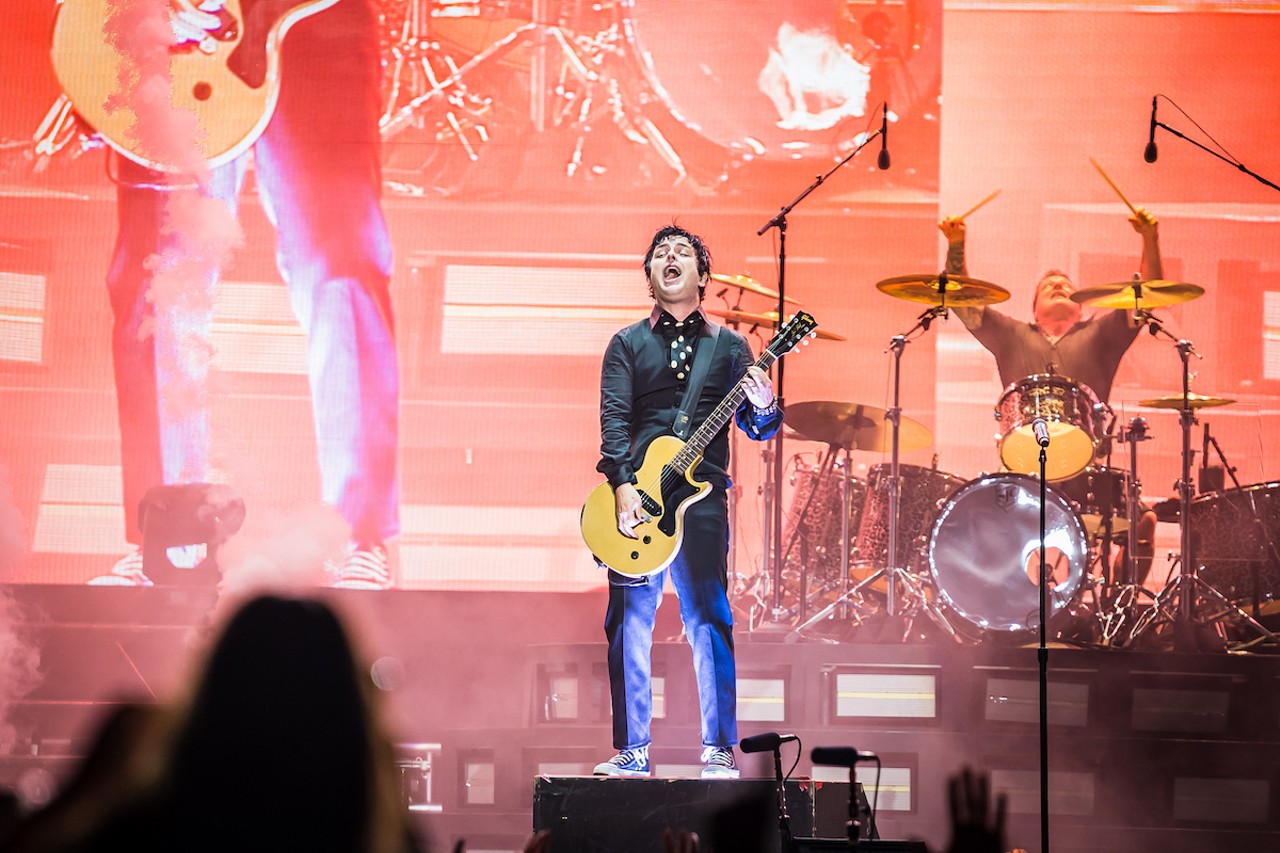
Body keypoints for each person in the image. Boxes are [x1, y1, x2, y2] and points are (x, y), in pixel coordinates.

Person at [95, 0, 398, 589]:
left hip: (315, 20)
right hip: (171, 33)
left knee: (343, 268)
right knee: (160, 278)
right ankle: (166, 532)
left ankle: (355, 535)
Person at [592, 225, 783, 779]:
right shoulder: (626, 343)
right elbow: (613, 419)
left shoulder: (729, 347)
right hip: (635, 499)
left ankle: (718, 748)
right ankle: (632, 750)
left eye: (682, 254)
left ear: (703, 276)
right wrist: (624, 485)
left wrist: (766, 404)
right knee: (629, 620)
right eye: (659, 255)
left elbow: (757, 428)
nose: (668, 259)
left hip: (700, 497)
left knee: (708, 618)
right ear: (649, 277)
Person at [939, 208, 1163, 584]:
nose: (1058, 285)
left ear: (1081, 305)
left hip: (1087, 465)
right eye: (1048, 285)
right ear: (1034, 309)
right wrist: (956, 246)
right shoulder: (1012, 334)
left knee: (1143, 521)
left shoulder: (1102, 334)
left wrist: (1150, 239)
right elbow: (965, 303)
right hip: (1026, 464)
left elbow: (1149, 296)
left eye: (1065, 283)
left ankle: (1123, 606)